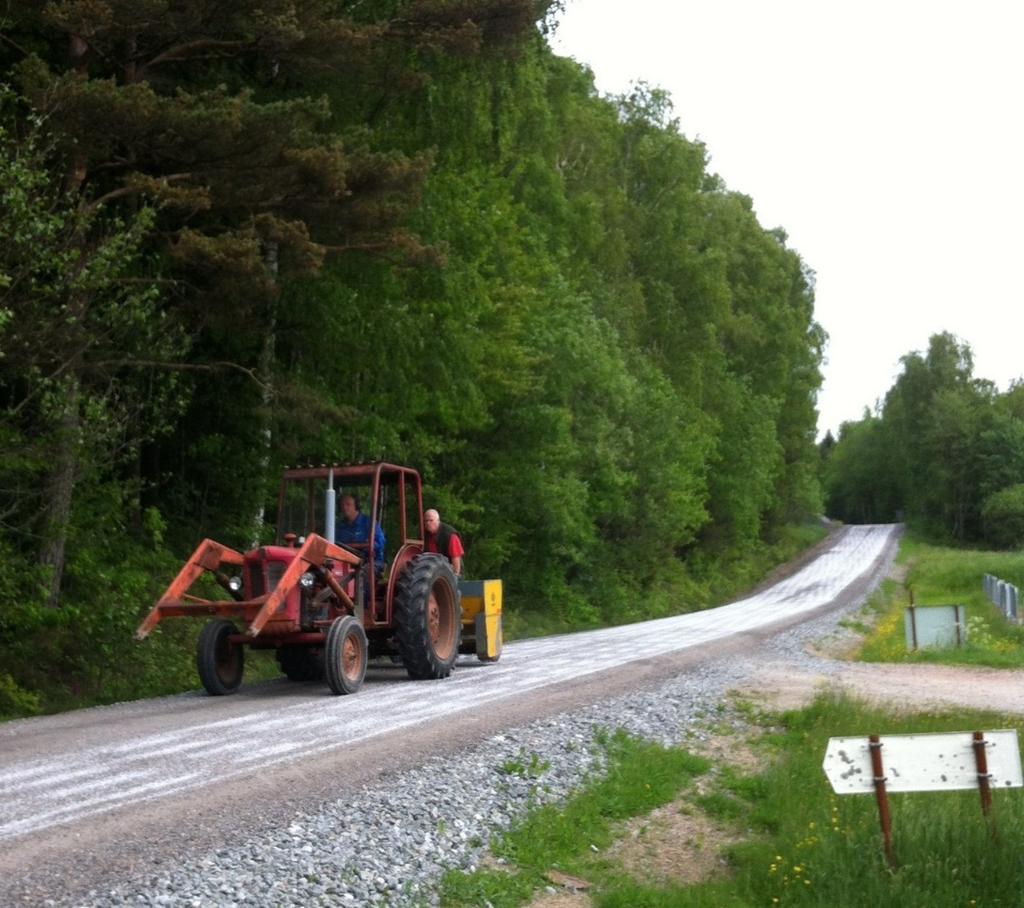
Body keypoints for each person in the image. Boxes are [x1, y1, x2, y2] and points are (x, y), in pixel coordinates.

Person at [337, 493, 386, 574]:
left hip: (370, 561)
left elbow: (380, 543)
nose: (344, 508)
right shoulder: (339, 527)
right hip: (345, 561)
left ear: (356, 506)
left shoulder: (369, 523)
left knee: (362, 573)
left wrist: (365, 546)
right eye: (342, 505)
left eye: (348, 504)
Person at [424, 509, 464, 577]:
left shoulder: (449, 535)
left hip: (451, 571)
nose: (428, 523)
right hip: (433, 572)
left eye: (431, 520)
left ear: (438, 521)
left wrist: (455, 575)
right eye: (426, 521)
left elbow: (456, 559)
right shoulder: (424, 535)